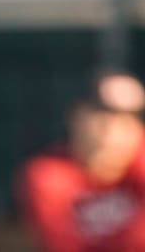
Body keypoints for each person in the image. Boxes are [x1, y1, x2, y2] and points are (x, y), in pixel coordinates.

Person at [16, 71, 145, 252]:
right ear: (76, 114)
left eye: (134, 115)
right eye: (105, 111)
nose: (118, 126)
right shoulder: (50, 176)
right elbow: (63, 245)